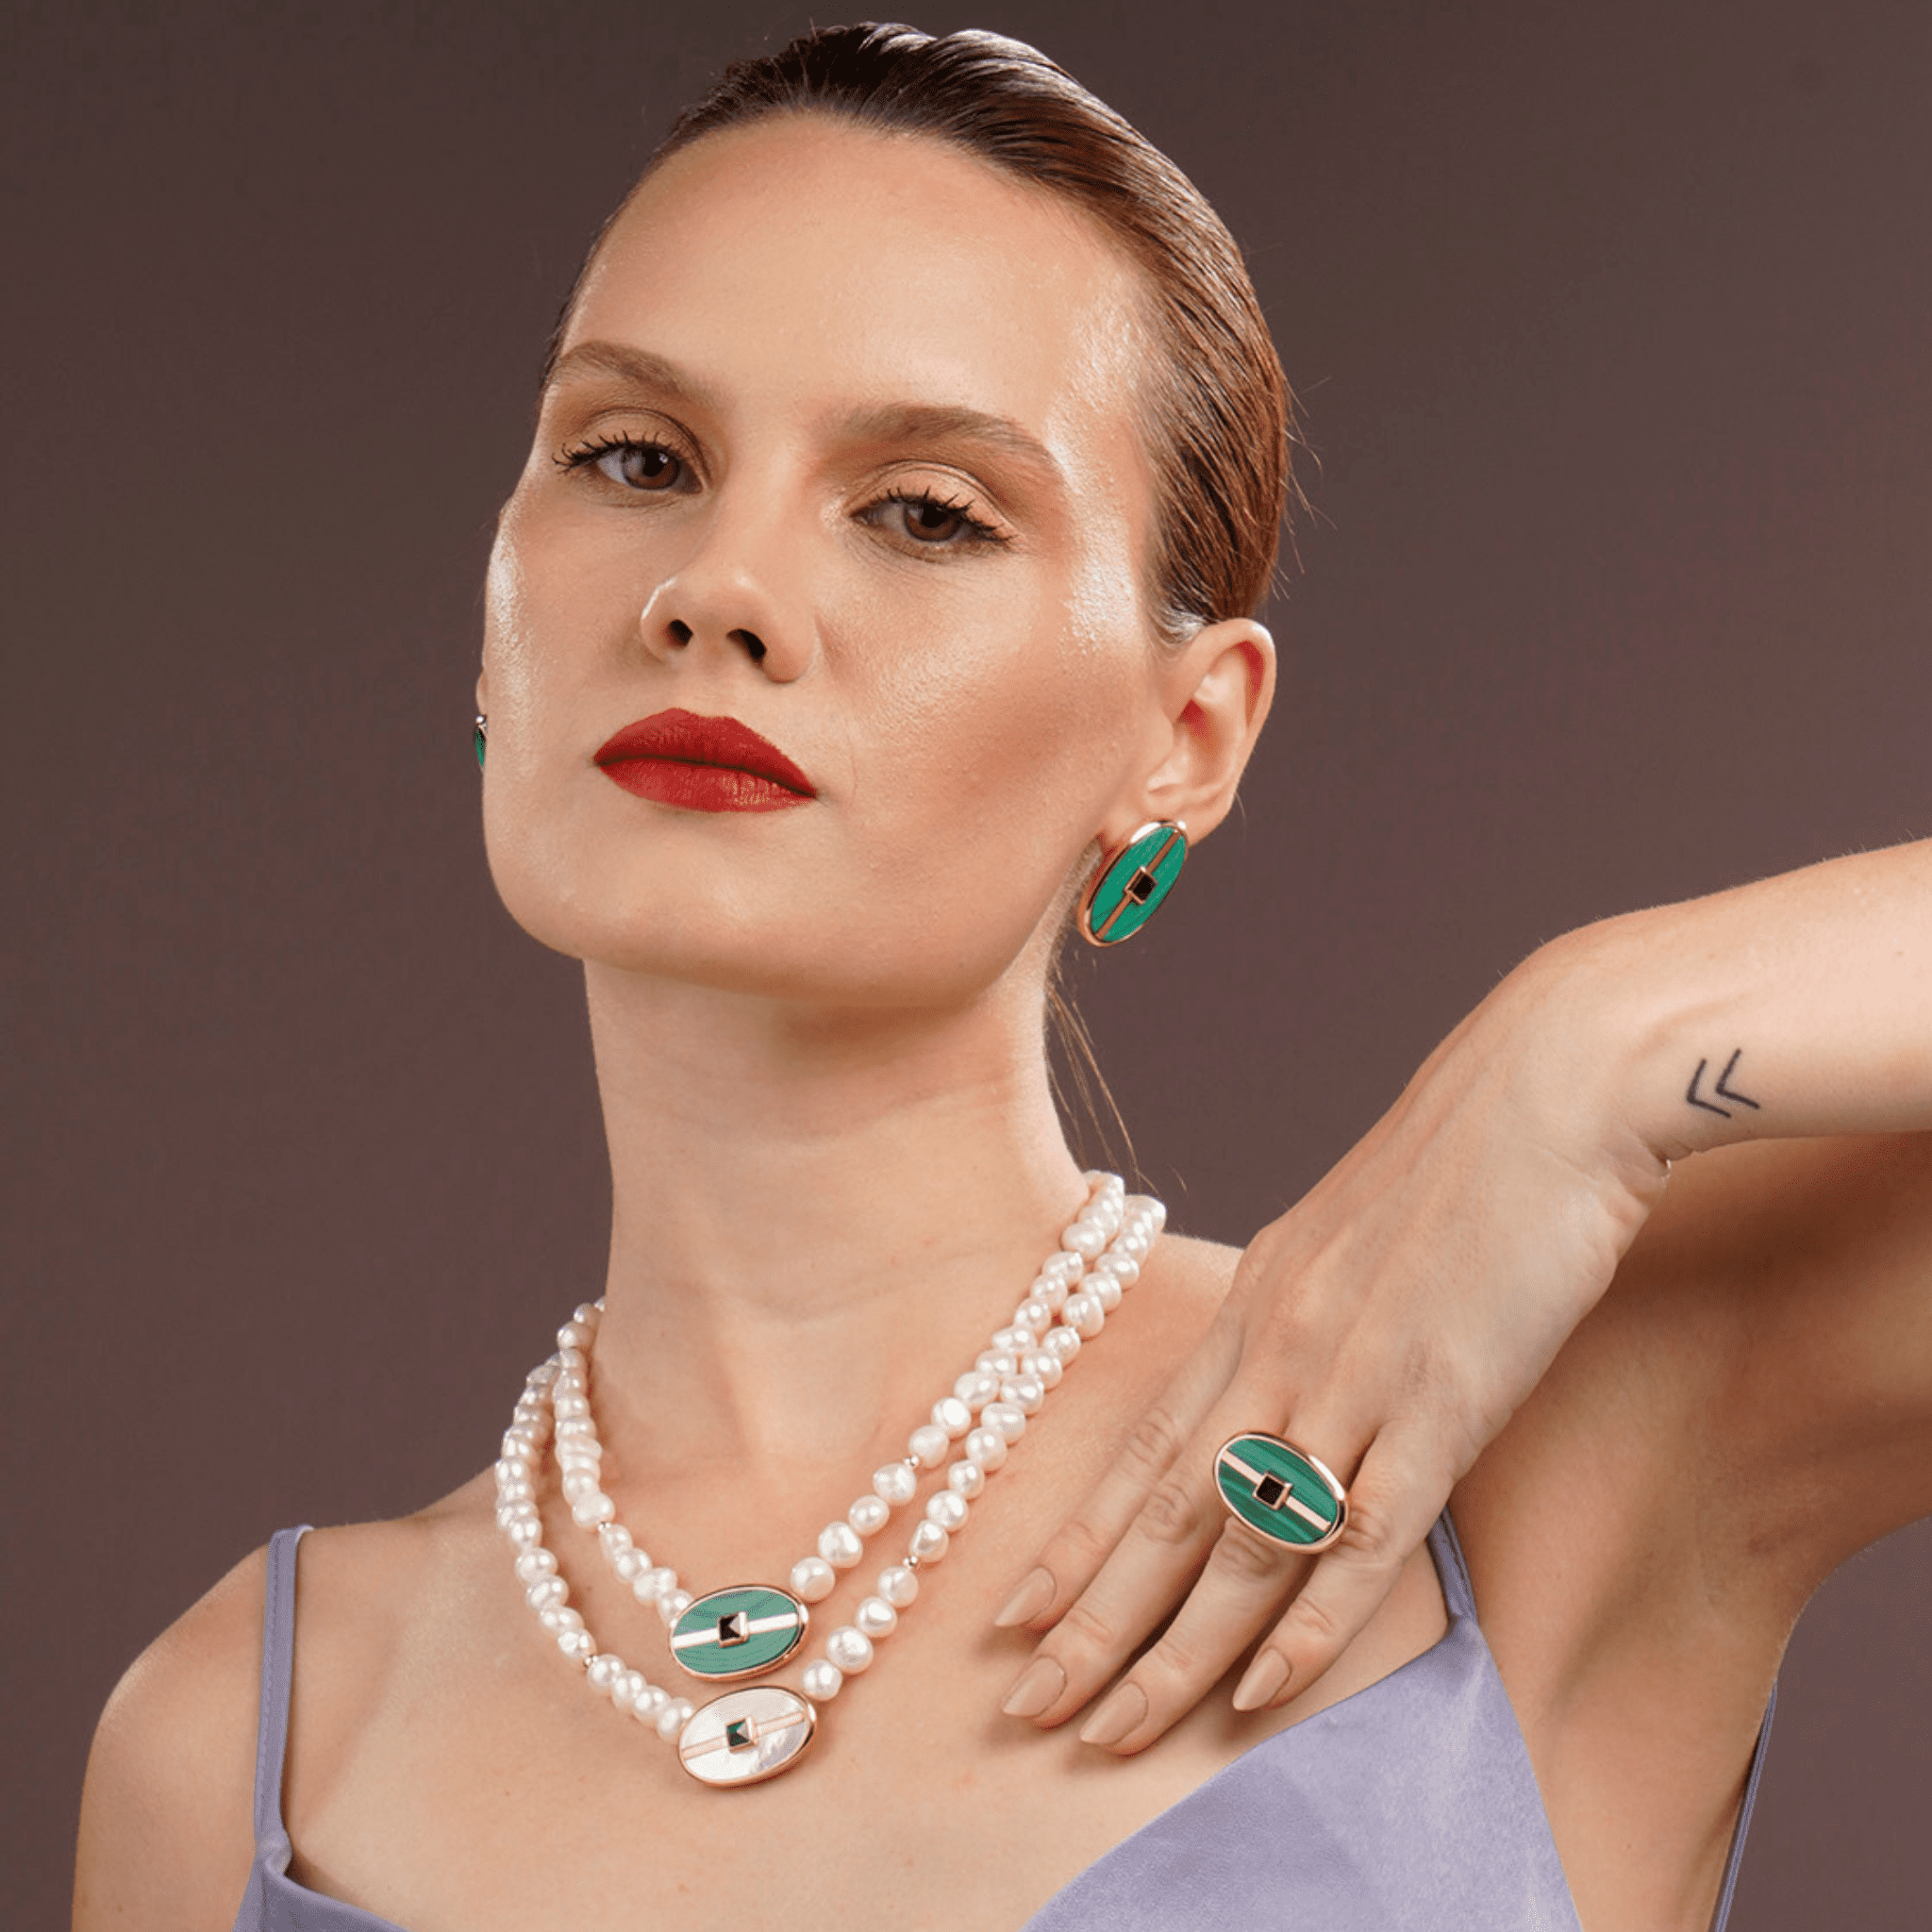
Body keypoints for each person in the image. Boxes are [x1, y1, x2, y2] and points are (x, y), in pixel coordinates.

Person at [70, 23, 1931, 1931]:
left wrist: (1584, 1048)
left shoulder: (1505, 1446)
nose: (715, 590)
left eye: (923, 511)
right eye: (637, 458)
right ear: (491, 626)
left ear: (1187, 739)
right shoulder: (239, 1748)